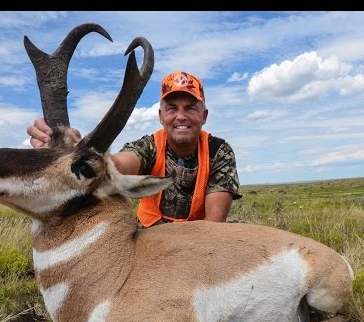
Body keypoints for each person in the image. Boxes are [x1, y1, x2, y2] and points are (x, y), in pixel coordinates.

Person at [28, 71, 242, 227]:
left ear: (204, 116)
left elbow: (214, 225)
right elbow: (120, 164)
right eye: (171, 108)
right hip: (149, 239)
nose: (180, 116)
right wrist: (79, 152)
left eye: (190, 108)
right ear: (161, 116)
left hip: (200, 240)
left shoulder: (218, 151)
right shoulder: (148, 146)